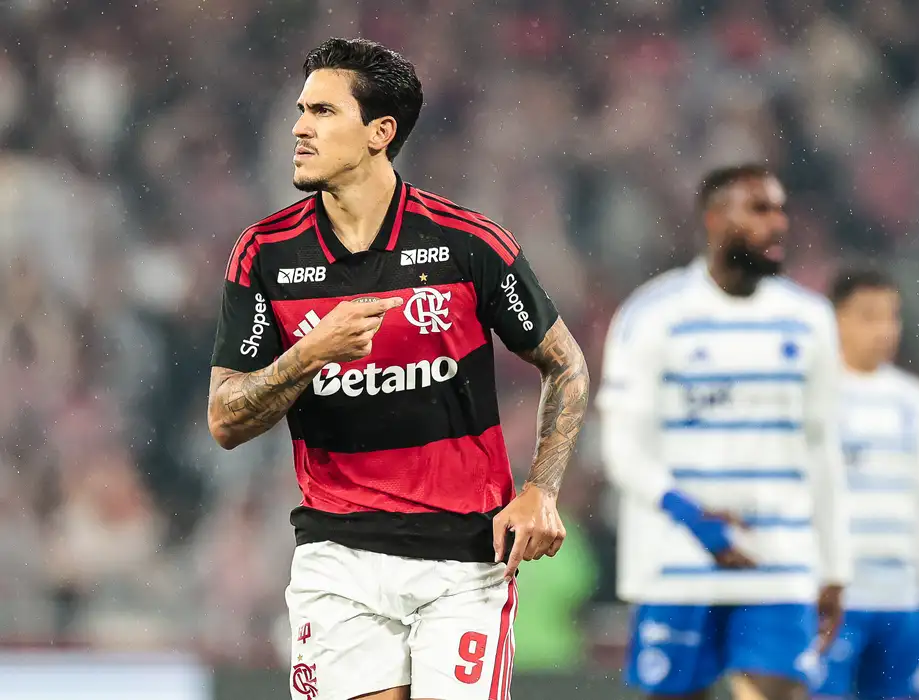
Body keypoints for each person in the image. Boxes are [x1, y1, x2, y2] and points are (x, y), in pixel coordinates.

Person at [206, 38, 590, 700]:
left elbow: (566, 364)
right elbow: (225, 419)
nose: (299, 128)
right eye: (301, 111)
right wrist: (309, 353)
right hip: (338, 557)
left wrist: (543, 489)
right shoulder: (266, 253)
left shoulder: (467, 242)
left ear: (380, 132)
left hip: (463, 558)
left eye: (323, 111)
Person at [598, 164, 852, 700]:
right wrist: (691, 515)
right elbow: (621, 446)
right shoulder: (652, 315)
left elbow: (822, 447)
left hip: (777, 561)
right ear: (714, 219)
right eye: (759, 209)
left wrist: (835, 565)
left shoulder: (810, 320)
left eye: (780, 210)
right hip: (676, 560)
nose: (778, 223)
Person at [811, 268, 919, 700]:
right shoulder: (815, 395)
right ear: (836, 320)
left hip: (902, 599)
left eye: (892, 316)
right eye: (869, 316)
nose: (885, 330)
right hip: (835, 597)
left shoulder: (913, 400)